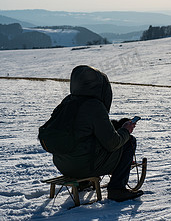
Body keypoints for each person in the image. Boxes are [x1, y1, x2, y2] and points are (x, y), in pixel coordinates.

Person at [53, 65, 143, 202]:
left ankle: (83, 183)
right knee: (129, 141)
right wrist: (125, 130)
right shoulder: (95, 106)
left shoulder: (67, 103)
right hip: (85, 166)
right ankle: (117, 189)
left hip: (63, 165)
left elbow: (85, 129)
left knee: (84, 145)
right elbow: (113, 143)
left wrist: (115, 125)